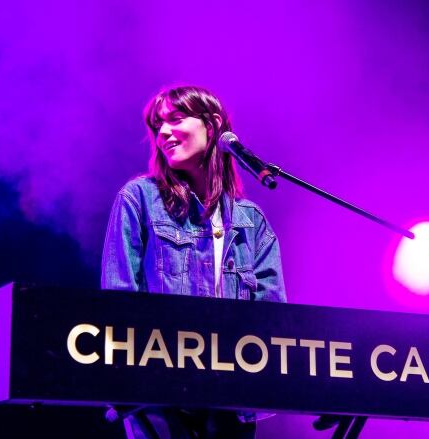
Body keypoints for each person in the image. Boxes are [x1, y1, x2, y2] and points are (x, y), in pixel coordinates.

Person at [101, 85, 287, 438]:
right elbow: (118, 303)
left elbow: (273, 321)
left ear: (213, 124)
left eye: (175, 119)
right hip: (158, 400)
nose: (163, 133)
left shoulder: (251, 222)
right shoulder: (139, 199)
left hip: (232, 400)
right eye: (158, 126)